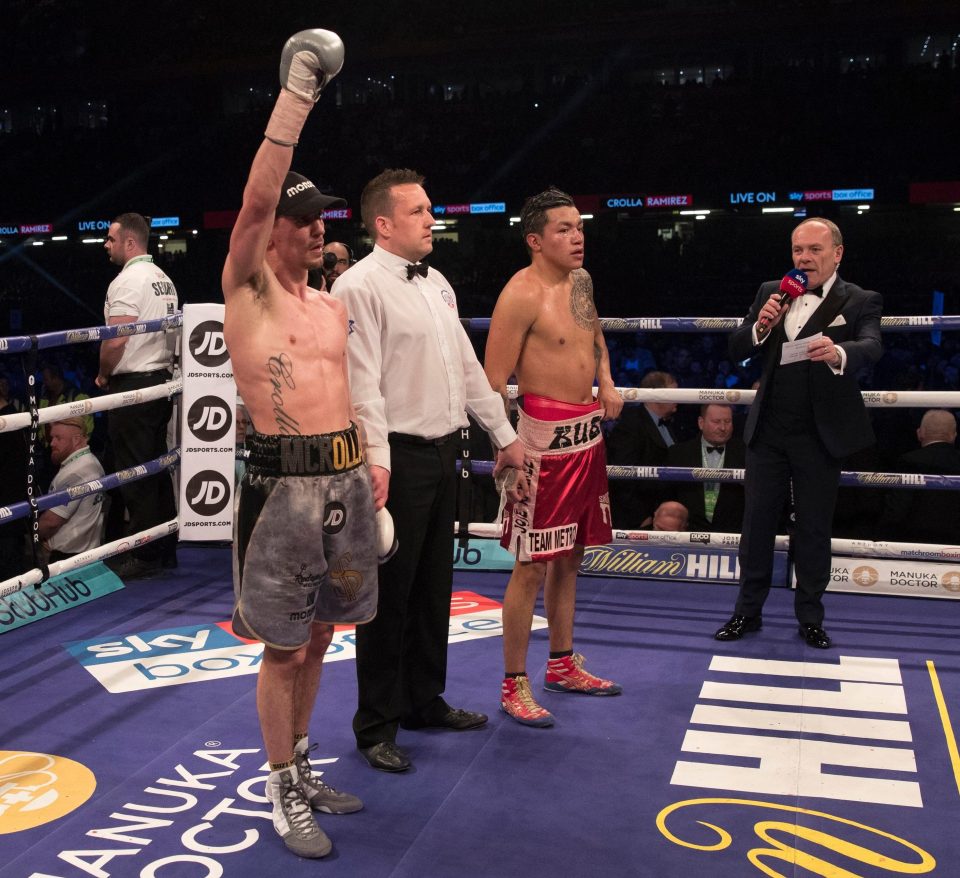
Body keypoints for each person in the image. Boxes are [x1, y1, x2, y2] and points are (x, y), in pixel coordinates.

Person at [221, 29, 370, 859]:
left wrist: (372, 462)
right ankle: (280, 790)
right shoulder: (251, 292)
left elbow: (351, 394)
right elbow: (254, 200)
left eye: (323, 220)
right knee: (283, 645)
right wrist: (299, 92)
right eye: (302, 219)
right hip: (280, 488)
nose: (316, 230)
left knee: (320, 635)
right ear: (273, 229)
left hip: (343, 480)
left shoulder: (330, 305)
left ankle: (305, 763)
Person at [333, 168, 525, 771]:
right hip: (396, 455)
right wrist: (377, 462)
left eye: (430, 208)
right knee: (388, 595)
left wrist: (504, 434)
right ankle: (377, 725)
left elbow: (468, 365)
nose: (430, 218)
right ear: (383, 225)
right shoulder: (357, 288)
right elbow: (361, 385)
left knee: (432, 585)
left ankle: (423, 699)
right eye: (418, 211)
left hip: (446, 451)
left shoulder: (438, 281)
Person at [483, 186, 624, 728]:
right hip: (540, 446)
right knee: (531, 565)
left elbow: (594, 339)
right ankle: (512, 682)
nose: (577, 236)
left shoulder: (582, 282)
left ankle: (562, 662)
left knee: (571, 556)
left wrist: (607, 380)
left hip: (586, 437)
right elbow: (494, 380)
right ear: (535, 240)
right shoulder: (519, 294)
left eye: (579, 226)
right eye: (564, 229)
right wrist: (506, 447)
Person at [714, 217, 882, 649]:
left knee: (812, 528)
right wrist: (762, 325)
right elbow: (737, 348)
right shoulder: (771, 291)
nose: (804, 258)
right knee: (756, 525)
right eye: (797, 250)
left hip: (819, 434)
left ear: (837, 253)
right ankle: (746, 613)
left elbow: (872, 344)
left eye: (814, 250)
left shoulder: (860, 298)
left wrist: (840, 351)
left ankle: (811, 617)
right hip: (769, 430)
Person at [96, 211, 179, 579]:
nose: (106, 245)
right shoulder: (164, 279)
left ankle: (143, 552)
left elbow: (116, 339)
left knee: (135, 469)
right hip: (159, 380)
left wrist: (102, 373)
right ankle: (163, 544)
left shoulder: (128, 281)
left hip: (134, 385)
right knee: (155, 464)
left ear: (131, 242)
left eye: (112, 239)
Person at [606, 370, 679, 527]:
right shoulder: (631, 423)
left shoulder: (669, 424)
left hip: (662, 511)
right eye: (674, 393)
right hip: (638, 516)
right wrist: (639, 516)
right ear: (657, 395)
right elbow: (621, 474)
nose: (678, 399)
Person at [877, 409, 960, 544]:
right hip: (955, 543)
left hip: (915, 541)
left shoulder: (910, 460)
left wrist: (881, 541)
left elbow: (898, 507)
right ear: (954, 435)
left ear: (919, 433)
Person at [667, 403, 745, 533]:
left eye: (728, 421)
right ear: (701, 423)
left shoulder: (746, 454)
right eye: (716, 421)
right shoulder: (678, 453)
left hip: (734, 533)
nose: (723, 427)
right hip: (688, 532)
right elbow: (668, 494)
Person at [38, 418, 105, 562]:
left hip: (68, 557)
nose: (52, 443)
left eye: (58, 438)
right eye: (52, 437)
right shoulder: (90, 461)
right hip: (85, 552)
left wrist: (31, 535)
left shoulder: (77, 472)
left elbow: (52, 521)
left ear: (76, 440)